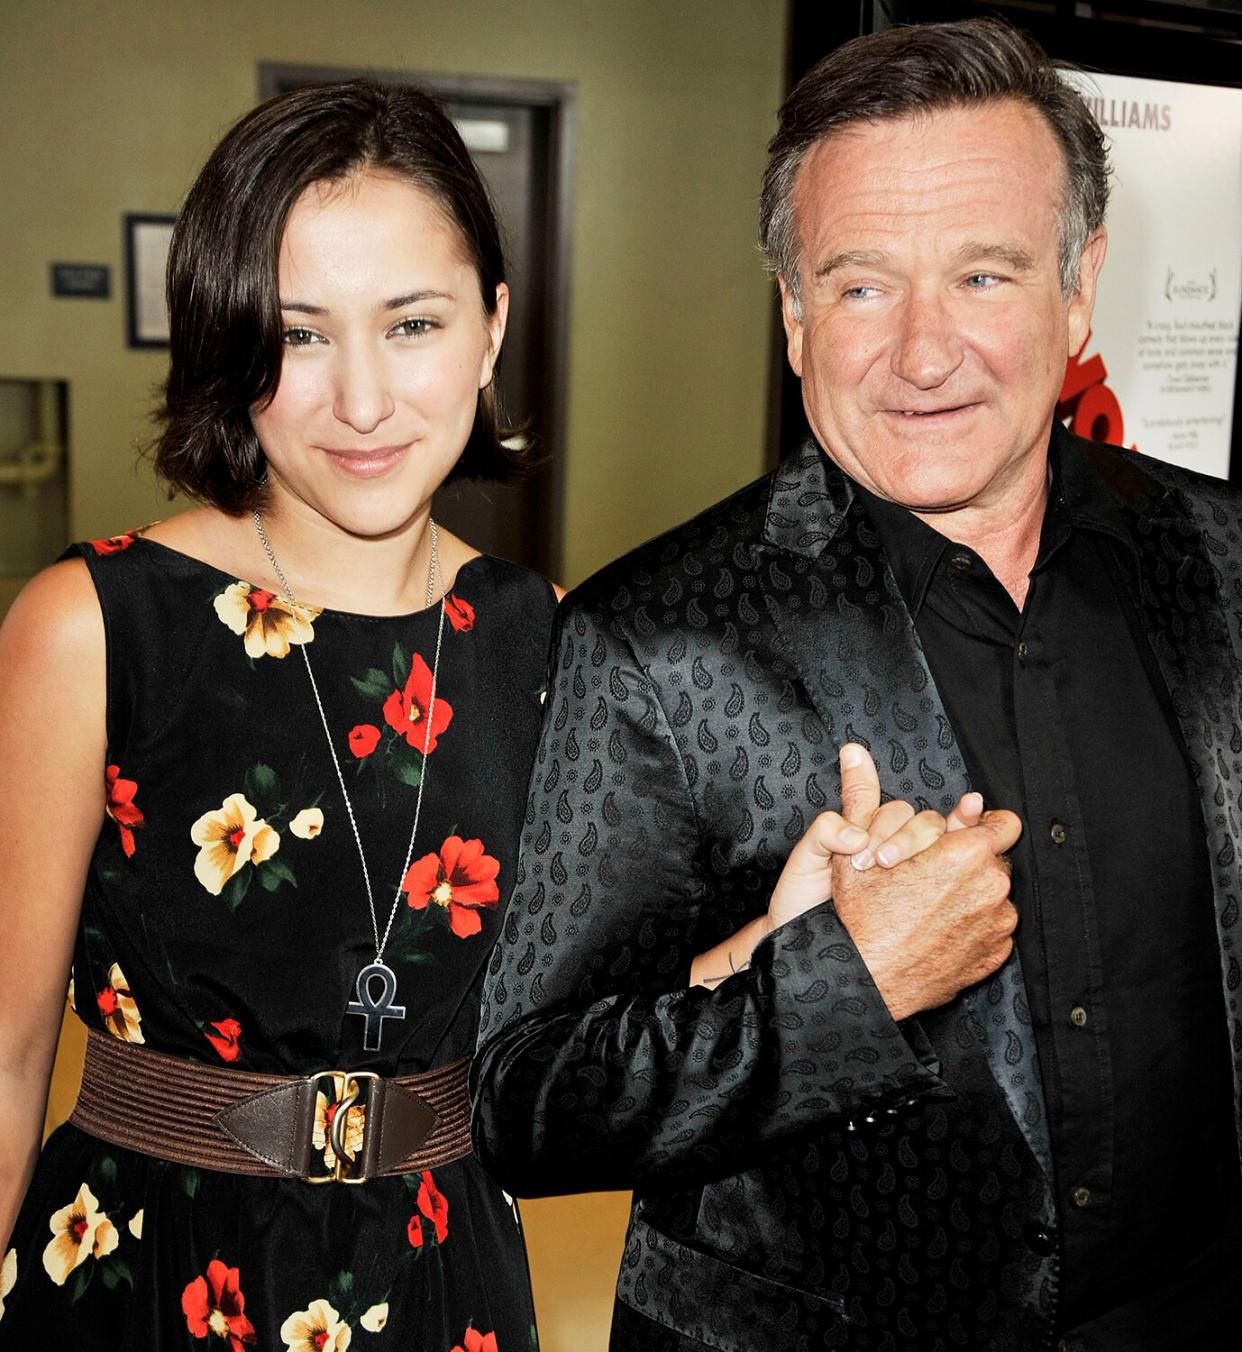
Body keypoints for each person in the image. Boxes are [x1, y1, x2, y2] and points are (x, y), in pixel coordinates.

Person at [471, 17, 1242, 1351]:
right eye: (860, 285)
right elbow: (526, 1105)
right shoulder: (652, 640)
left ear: (1079, 287)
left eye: (984, 277)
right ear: (791, 311)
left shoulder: (1224, 560)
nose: (923, 353)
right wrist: (840, 985)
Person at [0, 81, 558, 1349]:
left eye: (412, 322)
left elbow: (594, 1024)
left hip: (444, 1280)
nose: (363, 399)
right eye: (300, 335)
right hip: (149, 1271)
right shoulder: (92, 626)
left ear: (490, 329)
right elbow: (5, 1044)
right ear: (228, 344)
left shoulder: (554, 647)